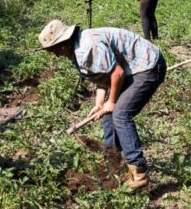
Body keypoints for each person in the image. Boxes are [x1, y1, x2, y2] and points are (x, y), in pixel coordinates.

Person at [38, 19, 166, 192]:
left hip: (147, 66)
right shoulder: (78, 47)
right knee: (108, 114)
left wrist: (111, 102)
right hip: (130, 68)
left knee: (120, 114)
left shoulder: (87, 48)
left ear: (63, 44)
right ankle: (113, 162)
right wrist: (100, 103)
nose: (55, 55)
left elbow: (117, 73)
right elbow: (104, 76)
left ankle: (139, 172)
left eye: (53, 50)